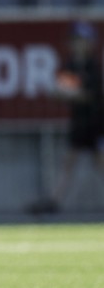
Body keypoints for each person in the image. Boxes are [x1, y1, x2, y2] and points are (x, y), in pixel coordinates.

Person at [28, 20, 104, 214]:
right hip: (79, 123)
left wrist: (71, 93)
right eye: (75, 41)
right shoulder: (70, 65)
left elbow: (90, 95)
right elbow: (61, 89)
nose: (78, 45)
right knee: (68, 163)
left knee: (100, 162)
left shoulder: (94, 66)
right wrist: (63, 92)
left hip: (96, 123)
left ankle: (54, 200)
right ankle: (53, 201)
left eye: (82, 41)